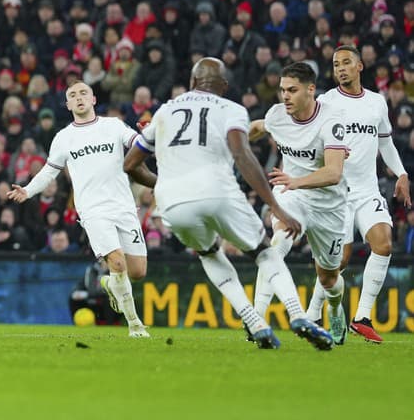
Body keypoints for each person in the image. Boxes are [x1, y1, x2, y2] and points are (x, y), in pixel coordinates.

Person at [124, 58, 332, 350]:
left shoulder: (164, 111)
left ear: (193, 81)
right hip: (217, 191)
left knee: (209, 254)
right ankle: (297, 316)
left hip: (172, 202)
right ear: (223, 85)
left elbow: (130, 164)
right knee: (264, 253)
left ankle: (254, 321)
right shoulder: (231, 109)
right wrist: (275, 205)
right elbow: (242, 154)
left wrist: (163, 184)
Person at [5, 82, 156, 338]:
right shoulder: (64, 137)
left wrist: (147, 134)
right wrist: (28, 190)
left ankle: (109, 282)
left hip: (124, 206)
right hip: (92, 209)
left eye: (83, 93)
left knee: (138, 271)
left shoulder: (113, 126)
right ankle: (135, 325)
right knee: (117, 261)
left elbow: (137, 143)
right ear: (68, 105)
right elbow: (49, 171)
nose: (79, 98)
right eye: (72, 95)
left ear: (94, 99)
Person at [299, 46, 410, 343]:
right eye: (336, 65)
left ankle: (361, 317)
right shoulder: (325, 103)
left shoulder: (376, 103)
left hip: (367, 190)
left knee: (384, 244)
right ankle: (312, 314)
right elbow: (310, 142)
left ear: (360, 66)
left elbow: (385, 143)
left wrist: (401, 174)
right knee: (339, 263)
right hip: (336, 195)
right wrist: (327, 152)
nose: (341, 69)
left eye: (346, 63)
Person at [248, 62, 350, 346]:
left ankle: (335, 308)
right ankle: (257, 319)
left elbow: (334, 173)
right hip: (293, 196)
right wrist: (233, 140)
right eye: (282, 90)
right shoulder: (278, 115)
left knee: (329, 278)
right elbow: (258, 127)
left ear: (311, 89)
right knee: (278, 241)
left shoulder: (332, 121)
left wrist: (296, 180)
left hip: (329, 205)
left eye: (292, 90)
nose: (286, 96)